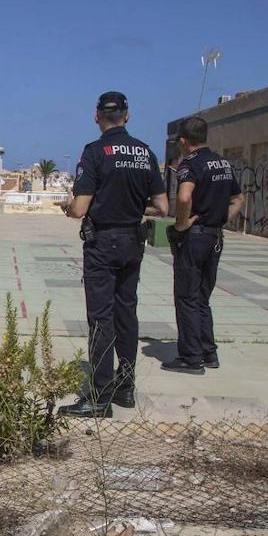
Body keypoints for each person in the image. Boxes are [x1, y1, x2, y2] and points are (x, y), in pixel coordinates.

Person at [58, 92, 169, 418]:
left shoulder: (96, 153)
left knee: (101, 318)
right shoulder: (145, 153)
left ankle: (99, 395)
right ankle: (125, 387)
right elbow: (162, 206)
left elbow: (80, 209)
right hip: (133, 241)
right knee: (127, 313)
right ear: (127, 116)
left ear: (97, 117)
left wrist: (69, 207)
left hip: (103, 243)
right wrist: (135, 207)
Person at [162, 116, 245, 373]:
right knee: (202, 298)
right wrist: (218, 219)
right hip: (215, 237)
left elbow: (185, 195)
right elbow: (239, 199)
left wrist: (182, 223)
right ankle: (209, 352)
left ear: (185, 142)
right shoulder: (223, 163)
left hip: (194, 238)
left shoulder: (191, 164)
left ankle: (190, 357)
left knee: (186, 297)